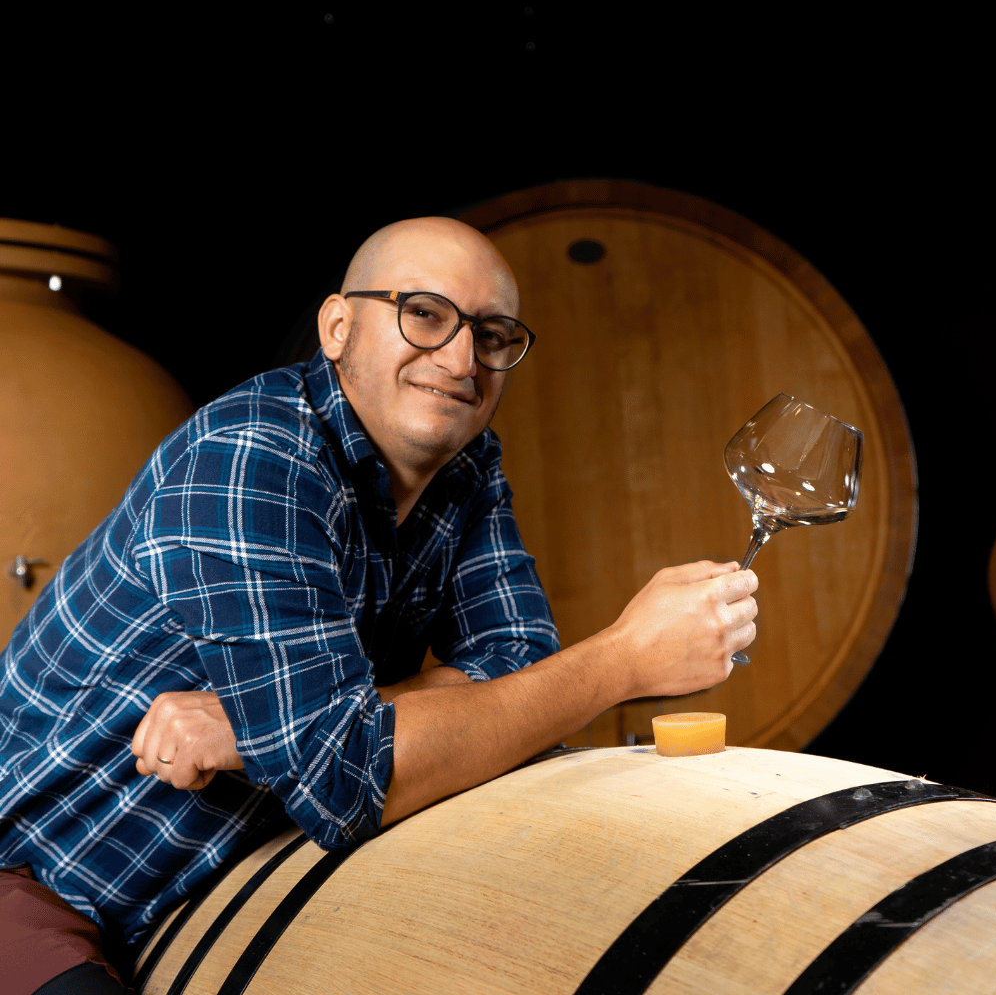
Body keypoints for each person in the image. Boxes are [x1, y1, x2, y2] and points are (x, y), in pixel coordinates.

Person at [0, 217, 757, 993]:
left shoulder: (466, 470)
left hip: (210, 889)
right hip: (36, 878)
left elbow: (520, 669)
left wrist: (263, 732)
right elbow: (348, 776)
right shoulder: (250, 456)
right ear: (337, 327)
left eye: (492, 334)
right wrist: (624, 658)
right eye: (425, 314)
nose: (463, 360)